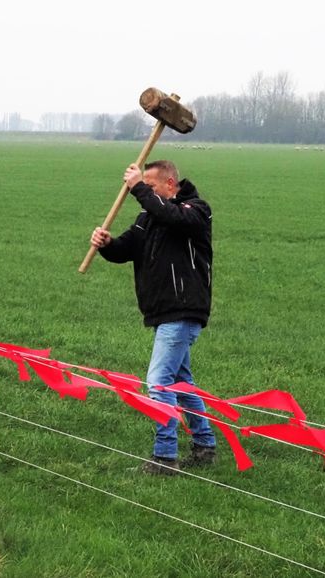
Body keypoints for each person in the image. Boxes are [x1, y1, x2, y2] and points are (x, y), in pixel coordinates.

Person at [90, 160, 216, 475]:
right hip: (161, 311)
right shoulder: (149, 215)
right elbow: (127, 248)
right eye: (144, 185)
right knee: (180, 382)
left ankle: (164, 459)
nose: (146, 191)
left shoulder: (196, 211)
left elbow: (172, 216)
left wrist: (138, 189)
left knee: (158, 383)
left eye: (151, 185)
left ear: (170, 184)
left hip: (183, 308)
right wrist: (107, 245)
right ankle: (204, 445)